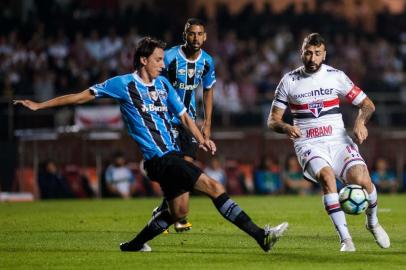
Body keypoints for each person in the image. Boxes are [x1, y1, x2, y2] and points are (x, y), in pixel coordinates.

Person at [14, 37, 288, 253]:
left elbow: (183, 116)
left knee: (178, 211)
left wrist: (202, 139)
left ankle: (134, 245)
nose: (162, 63)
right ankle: (261, 236)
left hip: (170, 155)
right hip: (160, 158)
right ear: (143, 60)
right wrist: (40, 105)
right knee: (215, 188)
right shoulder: (122, 84)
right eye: (158, 59)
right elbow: (80, 97)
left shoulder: (164, 85)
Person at [267, 33, 389, 252]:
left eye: (317, 53)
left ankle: (372, 223)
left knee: (363, 179)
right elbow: (273, 120)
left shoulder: (336, 76)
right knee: (326, 176)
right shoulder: (289, 81)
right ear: (301, 53)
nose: (312, 58)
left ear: (324, 54)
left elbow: (368, 105)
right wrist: (285, 127)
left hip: (338, 141)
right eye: (308, 53)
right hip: (309, 144)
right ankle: (346, 239)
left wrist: (361, 122)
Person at [152, 18, 216, 232]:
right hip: (167, 119)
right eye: (192, 33)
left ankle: (165, 213)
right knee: (174, 166)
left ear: (205, 37)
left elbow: (208, 91)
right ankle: (176, 216)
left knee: (186, 166)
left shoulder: (207, 61)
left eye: (199, 34)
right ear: (184, 35)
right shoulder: (169, 57)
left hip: (189, 122)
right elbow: (154, 82)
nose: (195, 38)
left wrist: (206, 124)